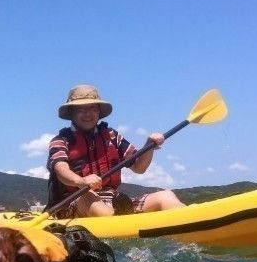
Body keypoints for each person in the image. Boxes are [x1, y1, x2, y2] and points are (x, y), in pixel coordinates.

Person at [47, 84, 185, 217]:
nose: (88, 113)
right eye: (81, 109)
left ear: (99, 111)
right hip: (75, 201)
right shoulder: (61, 140)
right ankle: (118, 220)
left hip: (113, 199)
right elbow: (60, 170)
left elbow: (139, 168)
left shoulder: (112, 136)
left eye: (93, 108)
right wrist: (81, 181)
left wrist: (149, 146)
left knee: (166, 196)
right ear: (71, 113)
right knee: (88, 196)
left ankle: (190, 222)